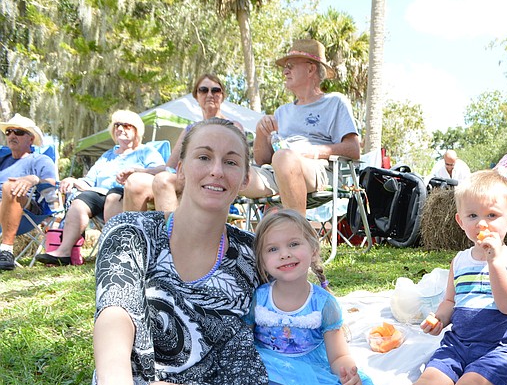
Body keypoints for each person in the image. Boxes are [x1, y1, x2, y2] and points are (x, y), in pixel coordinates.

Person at [0, 118, 270, 385]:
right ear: (179, 168)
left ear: (243, 177)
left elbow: (310, 306)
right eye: (204, 157)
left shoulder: (254, 254)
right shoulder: (133, 231)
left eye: (231, 161)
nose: (217, 170)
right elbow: (116, 307)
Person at [359, 170, 507, 385]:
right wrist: (440, 318)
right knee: (430, 378)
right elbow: (451, 299)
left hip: (497, 347)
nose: (481, 223)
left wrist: (494, 261)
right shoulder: (459, 261)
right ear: (460, 221)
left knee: (470, 384)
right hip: (459, 342)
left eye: (492, 215)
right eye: (472, 216)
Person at [239, 209, 381, 385]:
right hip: (270, 375)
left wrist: (347, 373)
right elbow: (246, 343)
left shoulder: (323, 304)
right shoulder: (259, 298)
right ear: (261, 260)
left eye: (294, 244)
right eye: (272, 249)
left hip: (309, 374)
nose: (284, 254)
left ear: (314, 250)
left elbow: (338, 354)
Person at [239, 38, 360, 216]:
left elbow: (353, 149)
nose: (285, 71)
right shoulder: (282, 111)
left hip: (319, 169)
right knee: (230, 173)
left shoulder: (335, 102)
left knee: (284, 158)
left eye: (290, 65)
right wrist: (261, 132)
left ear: (311, 68)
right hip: (276, 172)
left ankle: (299, 232)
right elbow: (262, 160)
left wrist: (311, 151)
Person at [35, 110, 164, 266]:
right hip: (99, 194)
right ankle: (64, 252)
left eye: (126, 125)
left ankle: (117, 252)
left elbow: (162, 170)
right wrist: (73, 180)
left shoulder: (146, 151)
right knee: (79, 202)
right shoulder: (109, 155)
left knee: (113, 197)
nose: (120, 129)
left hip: (125, 194)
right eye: (117, 125)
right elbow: (89, 181)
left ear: (137, 130)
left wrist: (137, 171)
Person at [121, 73, 244, 213]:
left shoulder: (232, 127)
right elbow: (169, 168)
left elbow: (238, 165)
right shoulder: (190, 130)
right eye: (203, 90)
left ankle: (172, 233)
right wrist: (141, 171)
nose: (210, 94)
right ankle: (134, 233)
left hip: (212, 181)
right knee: (135, 182)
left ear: (222, 96)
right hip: (183, 181)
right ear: (196, 96)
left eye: (215, 90)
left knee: (163, 181)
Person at [0, 114, 57, 270]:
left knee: (10, 187)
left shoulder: (40, 160)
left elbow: (52, 186)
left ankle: (6, 251)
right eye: (9, 132)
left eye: (18, 132)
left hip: (26, 208)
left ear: (30, 139)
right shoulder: (2, 161)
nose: (12, 135)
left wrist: (34, 179)